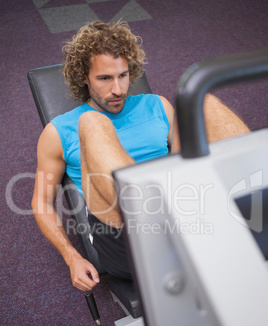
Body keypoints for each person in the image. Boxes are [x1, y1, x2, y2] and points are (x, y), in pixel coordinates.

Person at [31, 20, 249, 292]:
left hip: (181, 209)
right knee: (93, 123)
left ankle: (254, 205)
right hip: (124, 236)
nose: (118, 90)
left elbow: (187, 156)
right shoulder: (59, 131)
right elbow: (41, 201)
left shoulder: (156, 104)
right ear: (83, 77)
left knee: (203, 102)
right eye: (104, 78)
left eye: (122, 75)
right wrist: (71, 256)